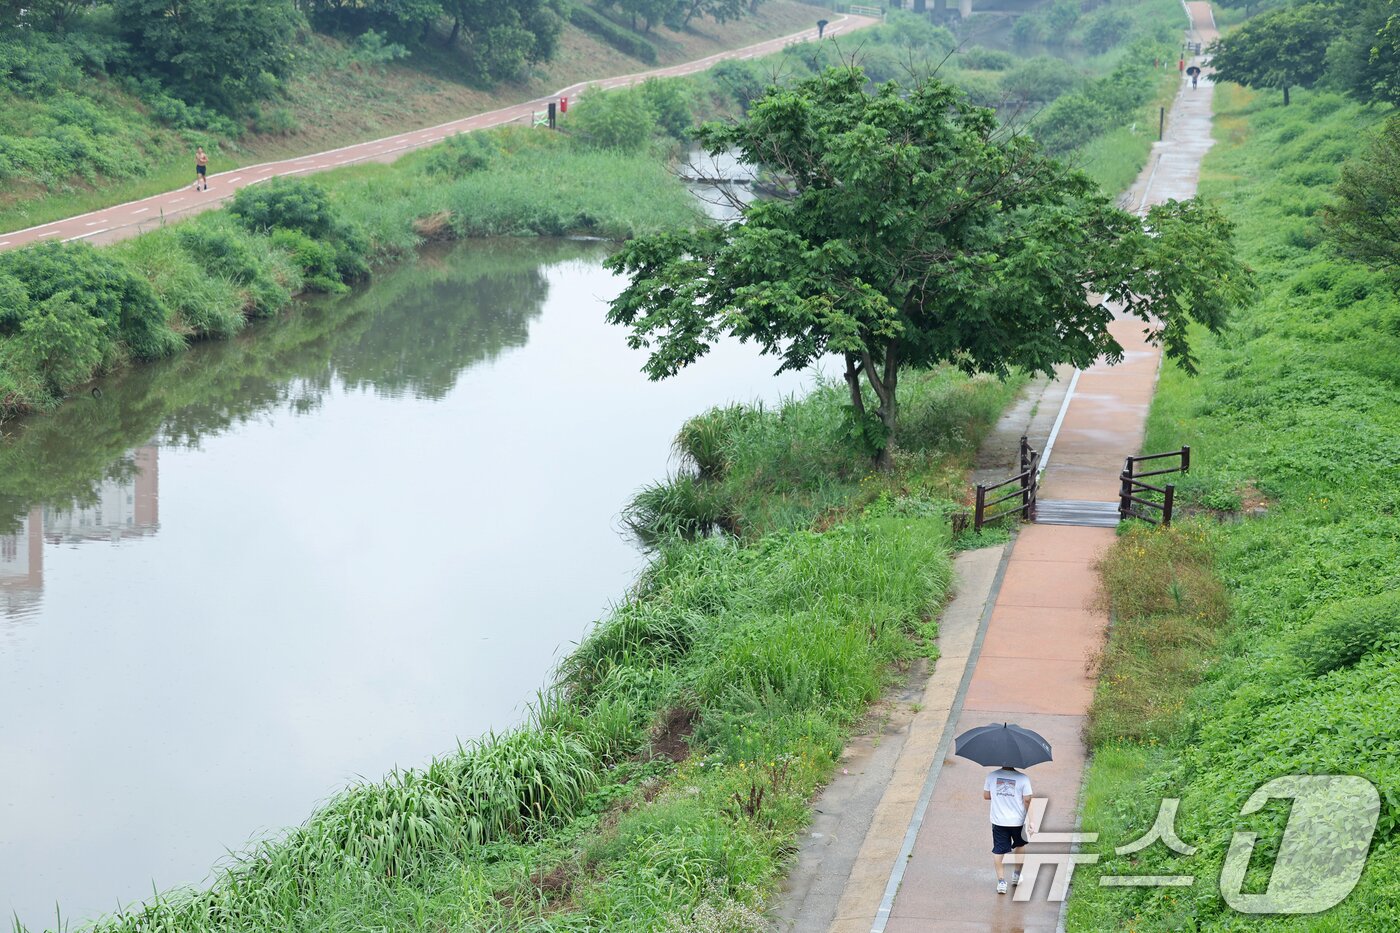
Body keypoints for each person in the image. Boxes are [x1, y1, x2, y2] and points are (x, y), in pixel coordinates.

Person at [984, 765, 1035, 894]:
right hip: (1018, 821)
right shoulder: (1023, 779)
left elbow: (986, 795)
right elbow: (1027, 800)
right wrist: (1032, 820)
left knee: (998, 850)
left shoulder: (991, 776)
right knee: (1020, 845)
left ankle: (1001, 882)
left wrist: (999, 795)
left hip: (998, 821)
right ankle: (1016, 875)